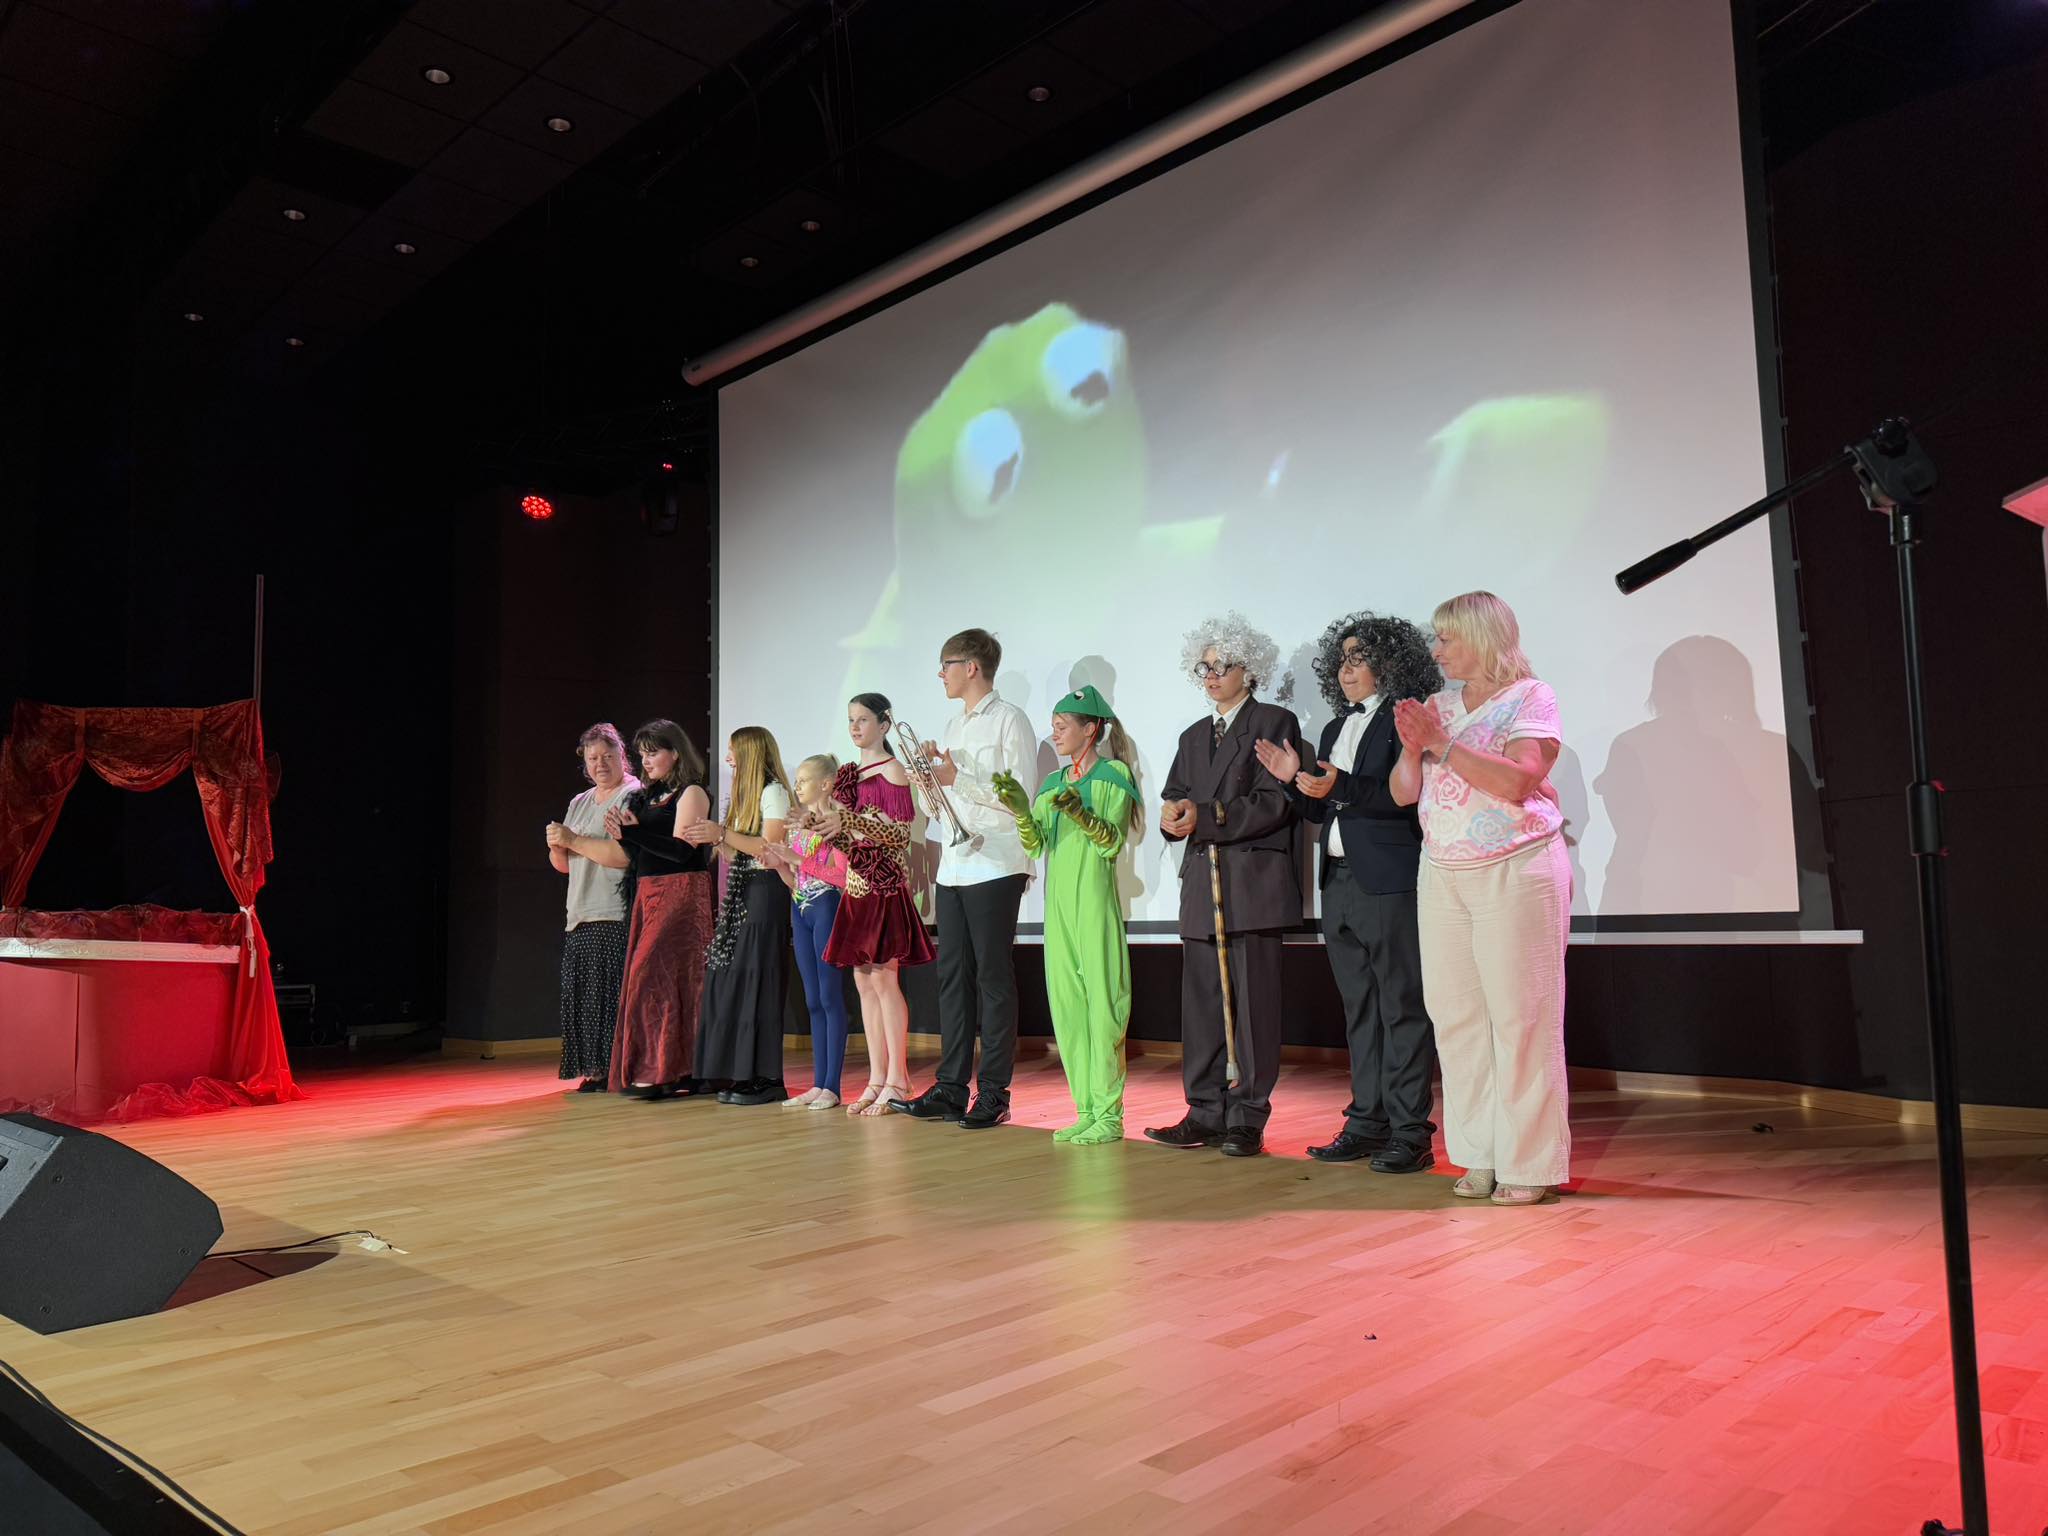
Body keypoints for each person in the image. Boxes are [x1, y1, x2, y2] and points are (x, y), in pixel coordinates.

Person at [1391, 591, 1570, 1206]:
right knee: (1456, 1016)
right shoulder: (1438, 706)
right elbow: (1402, 792)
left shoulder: (1530, 697)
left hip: (1516, 867)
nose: (1436, 649)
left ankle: (1530, 1162)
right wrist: (1413, 748)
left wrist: (1441, 744)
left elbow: (1519, 779)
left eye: (1447, 638)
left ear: (1482, 637)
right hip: (1442, 869)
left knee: (1521, 1017)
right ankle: (1481, 1154)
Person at [1255, 614, 1442, 1173]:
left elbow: (1403, 797)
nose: (1346, 668)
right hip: (1337, 881)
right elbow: (1323, 808)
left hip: (1388, 881)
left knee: (1401, 1007)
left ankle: (1410, 1132)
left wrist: (1340, 785)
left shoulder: (1406, 718)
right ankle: (1366, 1122)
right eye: (1342, 659)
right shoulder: (1337, 728)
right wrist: (1294, 781)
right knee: (1360, 1008)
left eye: (1359, 658)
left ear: (1389, 662)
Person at [1144, 612, 1305, 1159]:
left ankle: (1247, 1116)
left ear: (1249, 669)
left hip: (1250, 884)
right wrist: (1172, 816)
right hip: (1203, 882)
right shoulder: (1193, 735)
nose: (1211, 676)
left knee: (1253, 1008)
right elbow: (1175, 793)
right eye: (1203, 668)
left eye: (1222, 666)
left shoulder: (1273, 722)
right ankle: (1204, 1111)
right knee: (1202, 1004)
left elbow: (1274, 802)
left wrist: (1207, 815)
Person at [891, 628, 1038, 1130]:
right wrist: (928, 782)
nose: (941, 674)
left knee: (992, 977)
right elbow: (944, 807)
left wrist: (960, 779)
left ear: (971, 667)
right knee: (951, 976)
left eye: (946, 665)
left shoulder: (1010, 720)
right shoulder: (954, 725)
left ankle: (994, 1091)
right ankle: (951, 1087)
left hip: (996, 860)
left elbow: (1021, 797)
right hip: (955, 864)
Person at [993, 685, 1140, 1145]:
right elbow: (1036, 844)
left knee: (1104, 1007)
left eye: (1062, 727)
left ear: (1090, 729)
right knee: (1069, 1007)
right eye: (1053, 726)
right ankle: (1086, 1110)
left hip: (1094, 905)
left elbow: (1111, 842)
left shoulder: (1113, 775)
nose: (1054, 734)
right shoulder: (1053, 782)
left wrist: (1081, 813)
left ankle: (1109, 1114)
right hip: (1057, 909)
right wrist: (1022, 810)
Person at [816, 693, 933, 1116]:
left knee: (884, 980)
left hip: (884, 885)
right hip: (856, 885)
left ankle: (898, 1078)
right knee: (863, 982)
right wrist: (824, 826)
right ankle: (877, 1077)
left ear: (884, 725)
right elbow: (853, 840)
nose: (854, 727)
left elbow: (899, 835)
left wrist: (847, 820)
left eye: (863, 719)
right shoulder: (850, 774)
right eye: (851, 719)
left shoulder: (892, 770)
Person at [604, 720, 716, 1099]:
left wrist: (633, 832)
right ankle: (670, 1069)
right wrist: (627, 835)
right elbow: (641, 855)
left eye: (653, 753)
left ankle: (662, 1069)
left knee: (651, 975)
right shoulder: (648, 797)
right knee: (664, 980)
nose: (646, 761)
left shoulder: (692, 792)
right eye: (642, 754)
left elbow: (683, 850)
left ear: (676, 754)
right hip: (649, 893)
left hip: (681, 892)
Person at [682, 726, 794, 1106]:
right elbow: (736, 852)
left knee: (759, 978)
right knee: (733, 976)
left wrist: (722, 834)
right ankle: (740, 1071)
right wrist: (717, 838)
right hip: (743, 891)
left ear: (749, 754)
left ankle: (767, 1077)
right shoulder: (745, 797)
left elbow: (770, 846)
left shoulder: (773, 792)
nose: (728, 758)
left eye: (732, 751)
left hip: (765, 891)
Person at [544, 723, 640, 1092]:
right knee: (584, 997)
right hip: (580, 912)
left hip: (613, 909)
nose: (600, 764)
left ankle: (617, 1069)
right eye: (592, 758)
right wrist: (557, 847)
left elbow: (623, 857)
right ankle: (595, 1070)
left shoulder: (632, 794)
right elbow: (564, 865)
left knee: (610, 996)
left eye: (607, 756)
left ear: (622, 756)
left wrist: (573, 840)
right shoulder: (579, 802)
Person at [756, 754, 851, 1109]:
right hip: (801, 908)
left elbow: (841, 877)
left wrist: (798, 860)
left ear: (826, 784)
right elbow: (796, 880)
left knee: (829, 996)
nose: (796, 786)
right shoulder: (797, 827)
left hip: (827, 907)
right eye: (796, 780)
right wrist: (779, 864)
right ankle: (817, 1083)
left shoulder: (837, 822)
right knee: (812, 999)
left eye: (803, 780)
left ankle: (832, 1086)